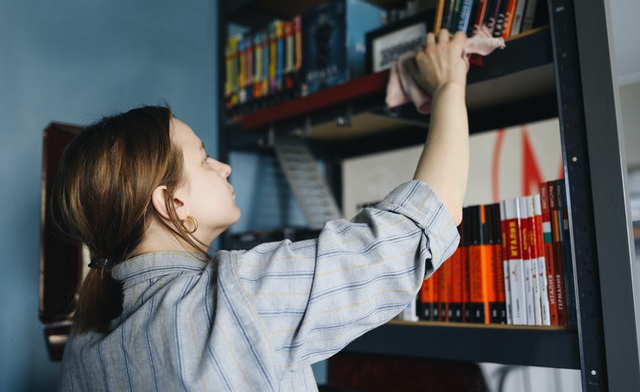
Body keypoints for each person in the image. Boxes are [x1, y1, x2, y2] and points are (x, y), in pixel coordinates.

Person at [54, 29, 469, 391]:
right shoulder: (235, 298)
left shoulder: (84, 340)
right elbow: (414, 231)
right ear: (172, 203)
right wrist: (449, 85)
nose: (224, 167)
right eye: (204, 159)